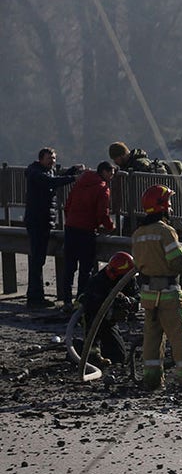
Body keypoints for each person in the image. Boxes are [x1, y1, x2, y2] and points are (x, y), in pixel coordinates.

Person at [132, 184, 182, 390]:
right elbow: (177, 262)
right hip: (169, 296)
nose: (171, 208)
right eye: (169, 204)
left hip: (148, 296)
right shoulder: (166, 232)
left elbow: (138, 263)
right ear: (162, 207)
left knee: (152, 340)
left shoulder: (138, 233)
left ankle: (152, 380)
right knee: (180, 337)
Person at [24, 148, 81, 309]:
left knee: (38, 260)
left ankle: (36, 296)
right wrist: (74, 177)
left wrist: (71, 171)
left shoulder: (46, 172)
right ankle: (34, 298)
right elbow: (51, 182)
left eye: (54, 158)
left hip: (43, 222)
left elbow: (55, 179)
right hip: (37, 222)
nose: (52, 161)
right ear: (40, 159)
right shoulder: (36, 173)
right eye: (49, 158)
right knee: (37, 260)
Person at [59, 161, 117, 307]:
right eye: (111, 173)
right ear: (104, 172)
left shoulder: (80, 183)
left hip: (71, 228)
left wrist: (70, 220)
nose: (112, 176)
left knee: (69, 267)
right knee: (85, 269)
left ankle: (66, 300)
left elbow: (67, 205)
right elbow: (102, 213)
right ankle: (80, 300)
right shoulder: (102, 188)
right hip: (86, 230)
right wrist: (110, 227)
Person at [78, 251, 139, 367]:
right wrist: (111, 305)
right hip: (95, 320)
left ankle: (102, 352)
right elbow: (90, 305)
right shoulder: (98, 281)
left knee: (118, 358)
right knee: (92, 349)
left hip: (110, 323)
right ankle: (86, 353)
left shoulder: (129, 277)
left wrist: (128, 300)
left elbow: (137, 296)